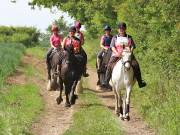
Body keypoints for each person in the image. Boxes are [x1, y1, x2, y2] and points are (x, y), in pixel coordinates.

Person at [102, 22, 146, 89]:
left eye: (123, 28)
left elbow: (132, 46)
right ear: (118, 29)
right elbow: (112, 46)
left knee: (136, 65)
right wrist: (116, 52)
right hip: (117, 54)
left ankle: (140, 82)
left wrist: (130, 51)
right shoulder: (115, 37)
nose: (121, 30)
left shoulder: (129, 37)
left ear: (125, 29)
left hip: (127, 55)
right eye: (120, 29)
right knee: (109, 64)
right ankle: (106, 81)